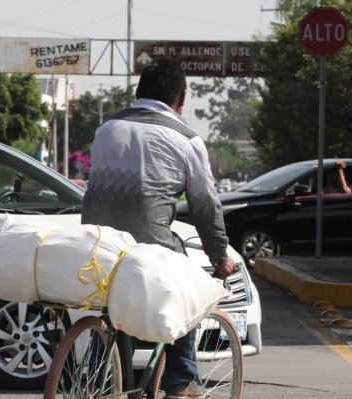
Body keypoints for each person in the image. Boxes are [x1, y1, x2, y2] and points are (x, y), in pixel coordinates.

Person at [81, 59, 236, 399]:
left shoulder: (106, 128)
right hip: (149, 247)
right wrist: (219, 255)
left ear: (137, 92)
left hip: (97, 245)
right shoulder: (187, 140)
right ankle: (180, 380)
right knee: (186, 285)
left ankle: (101, 374)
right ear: (182, 98)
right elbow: (206, 207)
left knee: (112, 308)